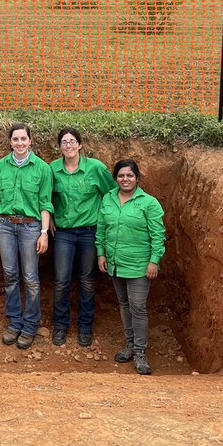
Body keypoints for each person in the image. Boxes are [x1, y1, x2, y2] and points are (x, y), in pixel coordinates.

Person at [49, 127, 117, 347]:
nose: (68, 146)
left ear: (80, 145)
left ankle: (85, 327)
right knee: (61, 280)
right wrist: (48, 217)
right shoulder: (52, 170)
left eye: (72, 142)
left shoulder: (95, 168)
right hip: (64, 233)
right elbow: (45, 196)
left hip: (90, 232)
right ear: (59, 147)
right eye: (64, 142)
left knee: (87, 281)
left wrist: (106, 222)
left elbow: (111, 193)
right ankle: (60, 326)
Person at [0, 123, 52, 349]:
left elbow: (45, 203)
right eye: (15, 139)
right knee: (10, 274)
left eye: (24, 139)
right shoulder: (1, 167)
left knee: (31, 278)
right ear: (10, 142)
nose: (20, 143)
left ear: (30, 141)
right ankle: (14, 321)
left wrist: (44, 233)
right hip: (4, 226)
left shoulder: (42, 169)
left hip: (30, 227)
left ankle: (30, 325)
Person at [96, 157, 165, 375]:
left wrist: (154, 261)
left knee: (138, 307)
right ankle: (130, 344)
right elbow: (101, 229)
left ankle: (141, 353)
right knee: (124, 304)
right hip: (116, 263)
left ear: (137, 178)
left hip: (139, 265)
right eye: (121, 175)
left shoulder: (149, 203)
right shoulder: (107, 199)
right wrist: (101, 254)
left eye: (129, 175)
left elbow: (158, 235)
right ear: (115, 178)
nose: (125, 179)